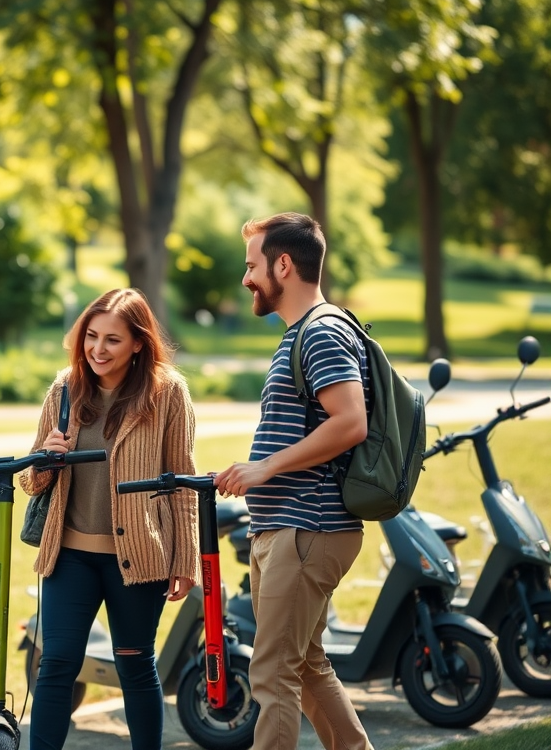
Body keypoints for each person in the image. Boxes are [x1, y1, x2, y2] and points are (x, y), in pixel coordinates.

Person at [213, 212, 374, 750]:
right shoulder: (303, 333)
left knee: (273, 673)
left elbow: (351, 422)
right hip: (287, 526)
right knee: (303, 666)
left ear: (284, 264)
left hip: (307, 525)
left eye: (252, 265)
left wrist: (265, 468)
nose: (246, 278)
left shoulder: (322, 332)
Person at [19, 287, 199, 750]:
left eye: (112, 340)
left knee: (136, 664)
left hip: (140, 556)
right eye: (91, 336)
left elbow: (181, 481)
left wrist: (186, 559)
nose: (97, 349)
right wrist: (43, 457)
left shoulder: (168, 393)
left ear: (138, 343)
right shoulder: (64, 388)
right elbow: (31, 482)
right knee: (56, 663)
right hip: (70, 555)